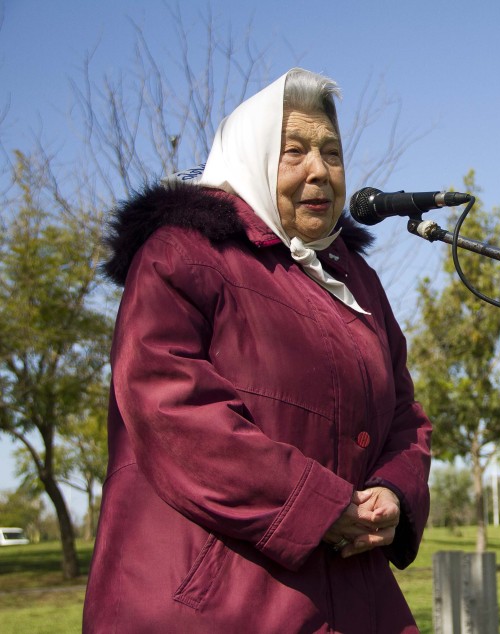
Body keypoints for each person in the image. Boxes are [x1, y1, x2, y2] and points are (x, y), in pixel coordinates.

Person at [83, 68, 432, 633]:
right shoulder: (184, 254)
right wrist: (320, 507)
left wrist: (394, 493)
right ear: (249, 157)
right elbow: (169, 405)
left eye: (332, 152)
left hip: (356, 600)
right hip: (216, 605)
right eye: (292, 150)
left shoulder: (357, 281)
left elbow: (405, 416)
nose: (319, 169)